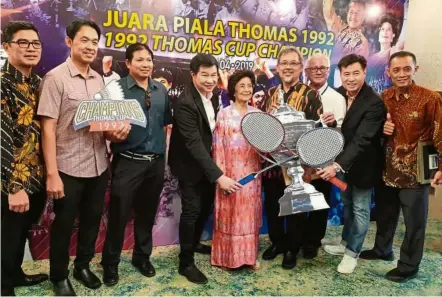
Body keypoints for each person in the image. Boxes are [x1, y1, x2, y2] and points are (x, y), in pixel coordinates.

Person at [37, 20, 130, 296]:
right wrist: (52, 173)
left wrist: (117, 131)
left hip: (98, 165)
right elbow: (47, 128)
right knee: (64, 225)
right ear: (69, 42)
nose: (90, 47)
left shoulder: (99, 79)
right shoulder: (55, 78)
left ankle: (83, 266)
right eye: (84, 40)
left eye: (94, 42)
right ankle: (59, 275)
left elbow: (101, 124)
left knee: (91, 221)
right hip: (67, 167)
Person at [359, 51, 442, 282]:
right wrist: (381, 130)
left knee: (415, 223)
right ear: (388, 72)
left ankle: (408, 265)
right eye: (396, 70)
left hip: (416, 172)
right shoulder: (384, 97)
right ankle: (382, 250)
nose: (402, 74)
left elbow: (440, 133)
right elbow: (373, 130)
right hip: (387, 170)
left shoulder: (429, 98)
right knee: (385, 215)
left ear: (416, 69)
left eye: (407, 69)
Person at [101, 43, 171, 286]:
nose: (145, 64)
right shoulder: (116, 89)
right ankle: (110, 264)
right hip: (128, 162)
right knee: (118, 216)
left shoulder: (160, 90)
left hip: (155, 163)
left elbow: (165, 124)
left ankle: (142, 258)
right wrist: (113, 135)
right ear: (128, 63)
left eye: (148, 60)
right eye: (139, 60)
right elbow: (103, 129)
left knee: (147, 214)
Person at [169, 54, 242, 284]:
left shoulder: (213, 97)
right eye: (205, 75)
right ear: (193, 75)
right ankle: (185, 263)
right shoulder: (185, 103)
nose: (210, 80)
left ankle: (194, 243)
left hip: (208, 165)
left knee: (204, 208)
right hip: (189, 165)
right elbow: (194, 144)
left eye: (213, 75)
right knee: (191, 210)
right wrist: (219, 176)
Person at [262, 47, 336, 269]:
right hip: (273, 162)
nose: (287, 67)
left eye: (293, 63)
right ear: (277, 66)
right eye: (283, 62)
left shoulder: (310, 95)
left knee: (297, 208)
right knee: (274, 206)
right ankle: (278, 243)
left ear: (300, 67)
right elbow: (264, 128)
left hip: (299, 165)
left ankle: (292, 249)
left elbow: (316, 131)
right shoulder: (270, 94)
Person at [318, 54, 386, 274]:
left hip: (364, 165)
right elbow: (339, 129)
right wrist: (327, 122)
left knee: (360, 209)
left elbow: (362, 140)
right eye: (346, 74)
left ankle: (352, 253)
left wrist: (336, 166)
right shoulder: (337, 95)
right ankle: (345, 242)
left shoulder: (374, 102)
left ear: (365, 72)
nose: (351, 78)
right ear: (340, 75)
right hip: (342, 164)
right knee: (347, 204)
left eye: (356, 73)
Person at [1, 21, 48, 297]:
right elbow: (2, 139)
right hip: (11, 181)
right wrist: (14, 187)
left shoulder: (39, 83)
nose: (31, 48)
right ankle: (3, 287)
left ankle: (15, 274)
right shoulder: (2, 84)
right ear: (6, 47)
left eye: (35, 43)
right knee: (6, 236)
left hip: (36, 176)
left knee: (19, 234)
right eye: (23, 43)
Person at [211, 70, 262, 270]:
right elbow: (218, 147)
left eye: (249, 86)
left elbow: (265, 145)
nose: (247, 89)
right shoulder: (223, 114)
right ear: (233, 89)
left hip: (252, 173)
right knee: (229, 216)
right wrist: (221, 176)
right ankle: (227, 258)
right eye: (242, 86)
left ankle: (249, 258)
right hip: (229, 172)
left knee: (248, 216)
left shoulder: (258, 115)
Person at [323, 0, 369, 87]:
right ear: (347, 13)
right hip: (328, 76)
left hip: (344, 83)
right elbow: (328, 13)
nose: (354, 16)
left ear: (363, 17)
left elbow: (358, 71)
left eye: (358, 13)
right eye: (351, 12)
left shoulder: (362, 42)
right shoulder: (341, 28)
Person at [305, 53, 346, 127]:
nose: (318, 72)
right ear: (306, 72)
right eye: (314, 68)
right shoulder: (297, 94)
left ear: (329, 71)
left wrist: (333, 124)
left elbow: (341, 133)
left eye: (323, 68)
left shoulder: (338, 99)